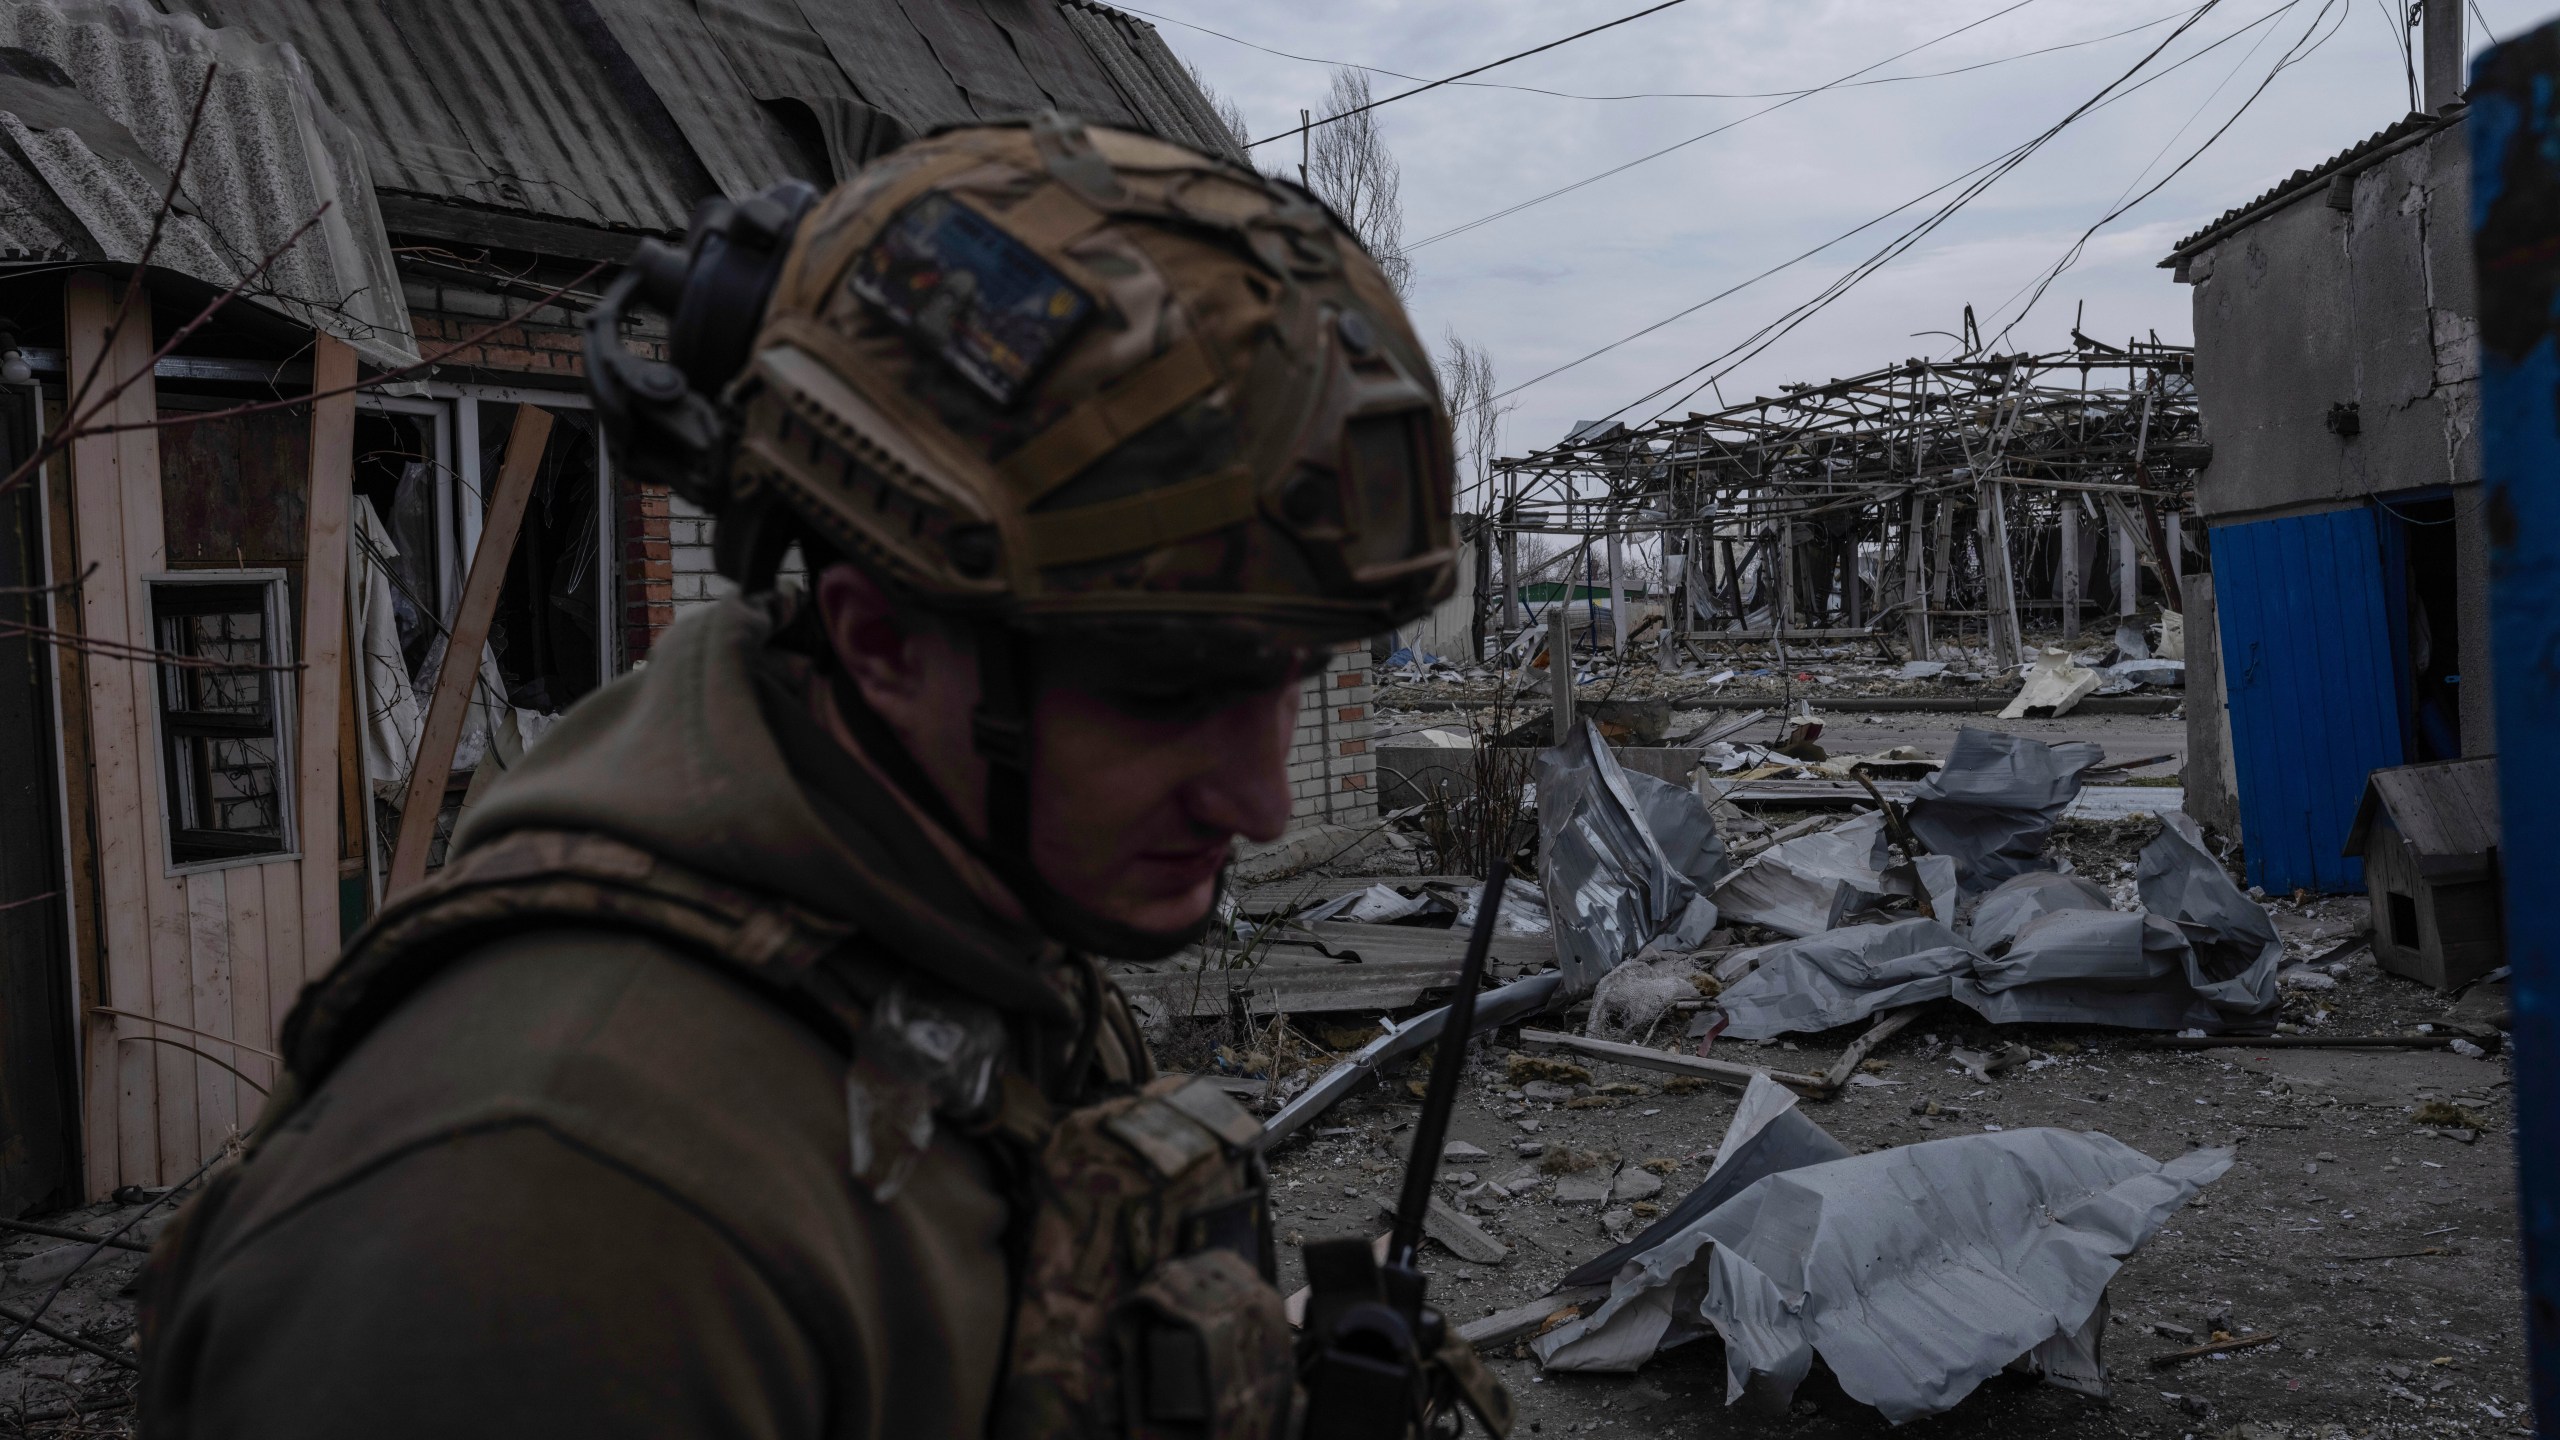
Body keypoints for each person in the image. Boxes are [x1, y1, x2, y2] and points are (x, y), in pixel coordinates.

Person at [137, 116, 1492, 1438]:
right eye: (1162, 691)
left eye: (1292, 675)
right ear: (882, 638)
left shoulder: (949, 919)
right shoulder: (548, 1215)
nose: (1259, 802)